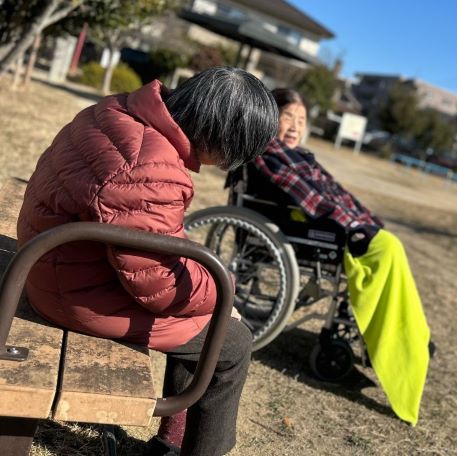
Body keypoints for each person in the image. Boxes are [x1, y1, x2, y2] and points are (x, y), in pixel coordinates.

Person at [17, 67, 278, 456]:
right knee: (232, 340)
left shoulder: (120, 109)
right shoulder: (152, 167)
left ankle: (169, 442)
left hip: (52, 264)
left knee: (204, 323)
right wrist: (223, 296)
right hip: (71, 294)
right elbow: (161, 289)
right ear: (222, 135)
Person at [251, 88, 431, 426]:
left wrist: (368, 221)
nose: (295, 125)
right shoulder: (269, 153)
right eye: (288, 116)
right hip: (316, 232)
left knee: (389, 246)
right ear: (270, 117)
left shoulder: (300, 156)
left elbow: (337, 193)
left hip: (329, 228)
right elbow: (314, 202)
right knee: (388, 249)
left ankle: (411, 337)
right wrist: (356, 228)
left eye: (301, 119)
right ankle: (397, 342)